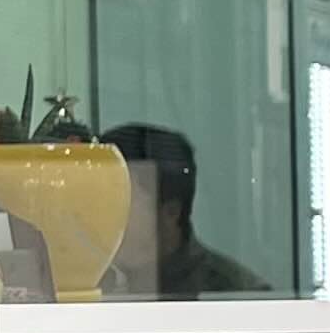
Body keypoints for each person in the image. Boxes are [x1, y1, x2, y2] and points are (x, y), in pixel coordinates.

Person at [101, 123, 266, 299]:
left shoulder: (238, 298)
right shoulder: (95, 283)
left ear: (171, 212)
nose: (99, 216)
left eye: (115, 201)